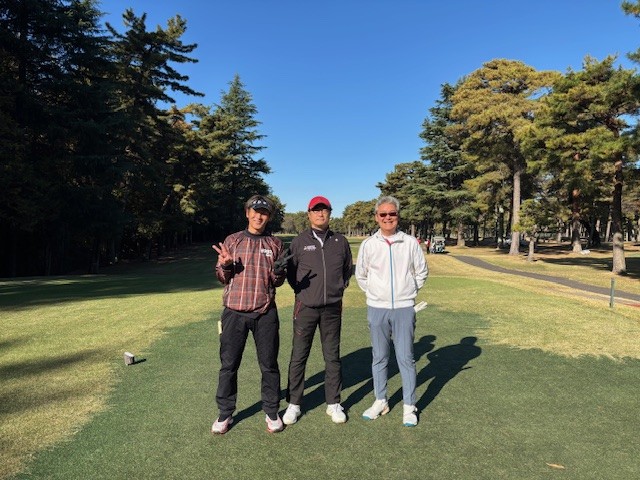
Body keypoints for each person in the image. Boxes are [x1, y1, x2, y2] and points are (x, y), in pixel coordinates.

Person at [210, 195, 289, 434]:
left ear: (269, 217)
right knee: (229, 365)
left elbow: (277, 281)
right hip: (234, 313)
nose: (259, 216)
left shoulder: (275, 244)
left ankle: (272, 411)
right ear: (247, 213)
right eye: (255, 211)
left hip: (265, 313)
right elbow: (222, 277)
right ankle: (225, 413)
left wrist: (279, 272)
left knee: (269, 365)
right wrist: (226, 265)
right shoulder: (233, 240)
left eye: (264, 212)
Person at [355, 195, 428, 427]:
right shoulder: (368, 244)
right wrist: (376, 293)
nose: (388, 218)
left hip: (404, 308)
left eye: (392, 213)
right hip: (377, 308)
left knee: (406, 358)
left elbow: (421, 272)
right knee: (379, 357)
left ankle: (409, 406)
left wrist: (408, 292)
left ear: (398, 215)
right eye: (383, 214)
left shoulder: (410, 242)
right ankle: (381, 400)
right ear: (377, 217)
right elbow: (361, 275)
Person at [282, 195, 353, 425]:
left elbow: (346, 270)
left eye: (324, 210)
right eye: (316, 210)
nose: (320, 214)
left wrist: (338, 288)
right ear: (309, 214)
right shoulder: (299, 242)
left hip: (332, 308)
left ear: (330, 213)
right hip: (306, 308)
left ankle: (333, 403)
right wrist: (303, 293)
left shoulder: (340, 241)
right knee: (299, 356)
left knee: (332, 356)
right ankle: (294, 403)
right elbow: (291, 274)